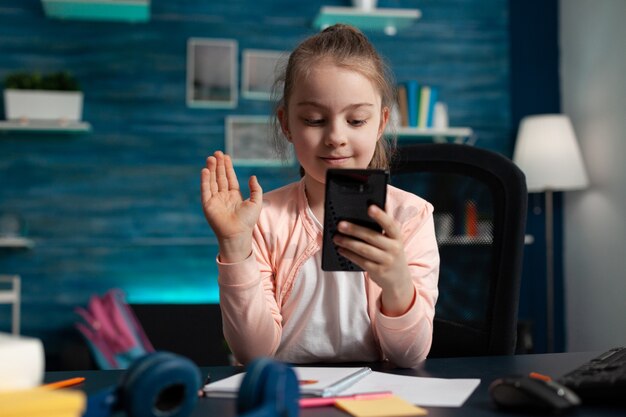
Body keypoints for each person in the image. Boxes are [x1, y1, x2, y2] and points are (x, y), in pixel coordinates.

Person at [201, 24, 439, 368]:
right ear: (286, 124)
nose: (335, 137)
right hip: (286, 390)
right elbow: (253, 354)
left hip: (374, 393)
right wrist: (236, 247)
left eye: (356, 120)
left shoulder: (411, 216)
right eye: (314, 119)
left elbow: (409, 356)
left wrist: (397, 282)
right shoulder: (263, 218)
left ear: (381, 122)